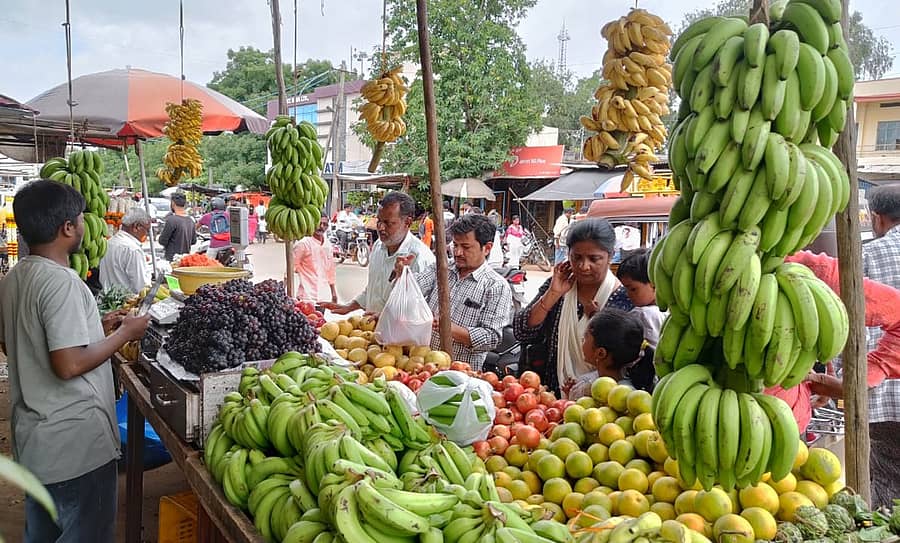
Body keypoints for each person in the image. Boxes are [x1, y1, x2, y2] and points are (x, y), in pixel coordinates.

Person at [0, 180, 150, 542]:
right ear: (67, 228)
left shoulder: (14, 277)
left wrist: (96, 328)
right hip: (74, 449)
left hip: (36, 445)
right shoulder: (62, 282)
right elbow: (67, 365)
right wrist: (125, 334)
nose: (85, 225)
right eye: (81, 218)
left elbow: (14, 342)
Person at [514, 218, 633, 395]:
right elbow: (523, 332)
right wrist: (553, 293)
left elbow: (626, 359)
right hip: (552, 399)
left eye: (594, 259)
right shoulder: (558, 287)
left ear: (610, 256)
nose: (584, 266)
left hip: (603, 399)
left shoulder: (624, 298)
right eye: (576, 257)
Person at [399, 214, 512, 370]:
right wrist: (403, 275)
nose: (457, 252)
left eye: (466, 247)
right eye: (455, 245)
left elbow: (491, 338)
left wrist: (449, 328)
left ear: (487, 248)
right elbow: (414, 288)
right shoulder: (442, 268)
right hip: (423, 367)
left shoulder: (496, 286)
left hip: (461, 373)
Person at [322, 192, 434, 315]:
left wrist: (384, 318)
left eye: (388, 223)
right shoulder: (378, 246)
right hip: (369, 326)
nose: (380, 228)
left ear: (407, 222)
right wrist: (349, 307)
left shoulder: (420, 258)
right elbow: (373, 290)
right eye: (379, 222)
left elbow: (416, 309)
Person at [568, 308, 656, 399]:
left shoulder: (621, 397)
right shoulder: (589, 382)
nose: (582, 340)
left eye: (586, 337)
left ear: (601, 353)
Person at [616, 249, 666, 348]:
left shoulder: (642, 314)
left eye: (633, 289)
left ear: (654, 284)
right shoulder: (671, 311)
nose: (628, 294)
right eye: (626, 289)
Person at [99, 207, 152, 295]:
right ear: (136, 226)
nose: (146, 234)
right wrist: (149, 274)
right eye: (147, 230)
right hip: (126, 301)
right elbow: (141, 287)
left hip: (106, 298)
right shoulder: (133, 250)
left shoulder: (109, 242)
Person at [293, 215, 337, 303]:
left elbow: (330, 271)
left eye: (325, 224)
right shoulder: (303, 243)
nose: (321, 226)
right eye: (319, 223)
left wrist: (333, 292)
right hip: (306, 297)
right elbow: (291, 268)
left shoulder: (328, 245)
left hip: (324, 297)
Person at [158, 192, 196, 261]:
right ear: (185, 204)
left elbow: (162, 241)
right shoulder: (191, 220)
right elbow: (193, 241)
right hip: (185, 259)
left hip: (172, 259)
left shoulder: (171, 220)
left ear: (173, 203)